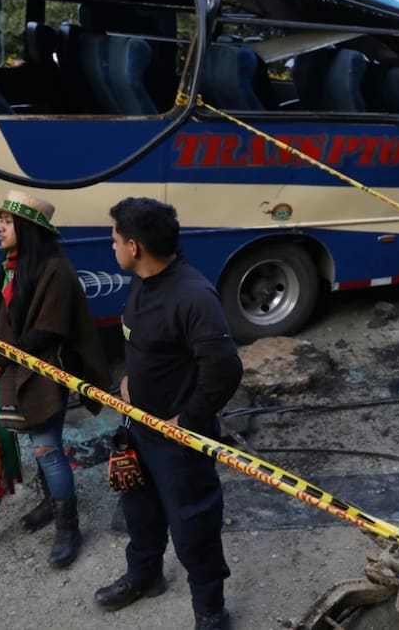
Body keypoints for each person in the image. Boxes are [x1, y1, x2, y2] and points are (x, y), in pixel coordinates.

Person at [94, 198, 241, 630]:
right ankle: (145, 576)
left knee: (193, 524)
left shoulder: (193, 296)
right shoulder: (142, 281)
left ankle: (210, 610)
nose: (112, 246)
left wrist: (189, 422)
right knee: (139, 510)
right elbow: (141, 342)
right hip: (137, 426)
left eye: (115, 239)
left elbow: (225, 368)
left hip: (178, 442)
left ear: (135, 246)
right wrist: (128, 382)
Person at [0, 190, 109, 568]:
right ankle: (51, 502)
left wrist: (2, 358)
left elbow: (49, 330)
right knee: (34, 442)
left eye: (6, 222)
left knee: (46, 448)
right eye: (0, 221)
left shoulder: (56, 269)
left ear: (26, 228)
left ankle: (69, 527)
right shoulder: (10, 264)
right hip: (17, 366)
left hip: (44, 369)